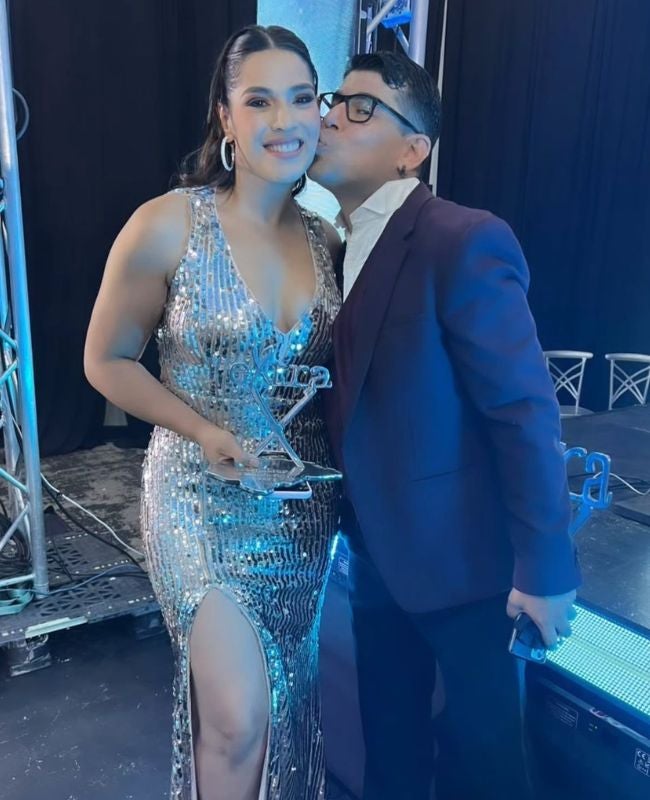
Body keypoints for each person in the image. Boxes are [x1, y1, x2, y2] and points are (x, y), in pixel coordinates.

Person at [309, 51, 580, 800]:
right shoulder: (333, 250)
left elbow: (522, 412)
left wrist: (546, 570)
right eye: (332, 101)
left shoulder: (461, 238)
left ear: (413, 150)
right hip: (375, 563)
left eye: (360, 107)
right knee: (389, 756)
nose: (329, 118)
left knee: (488, 770)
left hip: (470, 572)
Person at [84, 25, 342, 800]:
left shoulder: (329, 240)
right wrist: (202, 429)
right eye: (258, 101)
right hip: (198, 499)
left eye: (301, 98)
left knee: (284, 702)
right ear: (225, 118)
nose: (284, 120)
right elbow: (106, 361)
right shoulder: (170, 223)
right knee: (235, 715)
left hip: (301, 511)